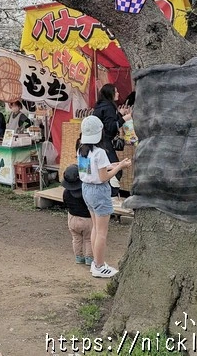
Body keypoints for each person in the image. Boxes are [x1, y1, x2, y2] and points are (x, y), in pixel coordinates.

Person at [78, 115, 131, 278]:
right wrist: (120, 166)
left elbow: (94, 169)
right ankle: (99, 265)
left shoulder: (82, 149)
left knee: (96, 228)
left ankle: (96, 263)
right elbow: (103, 177)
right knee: (102, 232)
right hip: (99, 191)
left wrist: (113, 165)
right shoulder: (100, 152)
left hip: (86, 189)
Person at [93, 84, 132, 197]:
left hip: (98, 141)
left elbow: (107, 121)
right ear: (110, 94)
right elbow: (110, 127)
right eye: (115, 92)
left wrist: (119, 114)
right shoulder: (109, 107)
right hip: (104, 142)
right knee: (115, 170)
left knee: (105, 167)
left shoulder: (100, 105)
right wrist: (125, 118)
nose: (118, 93)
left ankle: (105, 193)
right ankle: (110, 194)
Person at [61, 164, 93, 266]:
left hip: (72, 218)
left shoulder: (66, 192)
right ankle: (89, 259)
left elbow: (65, 204)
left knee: (76, 239)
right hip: (87, 219)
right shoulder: (86, 191)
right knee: (89, 239)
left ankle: (79, 257)